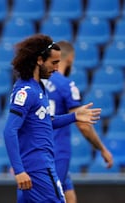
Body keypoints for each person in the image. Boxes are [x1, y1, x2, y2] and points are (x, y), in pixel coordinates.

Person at [2, 34, 102, 203]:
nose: (57, 69)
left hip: (39, 164)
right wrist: (19, 171)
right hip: (38, 167)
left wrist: (75, 116)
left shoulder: (38, 86)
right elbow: (9, 130)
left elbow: (45, 121)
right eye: (54, 63)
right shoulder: (27, 91)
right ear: (40, 60)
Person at [44, 40, 113, 203]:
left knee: (68, 194)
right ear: (70, 59)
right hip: (56, 152)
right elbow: (82, 124)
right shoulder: (65, 85)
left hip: (37, 151)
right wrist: (102, 149)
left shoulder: (36, 84)